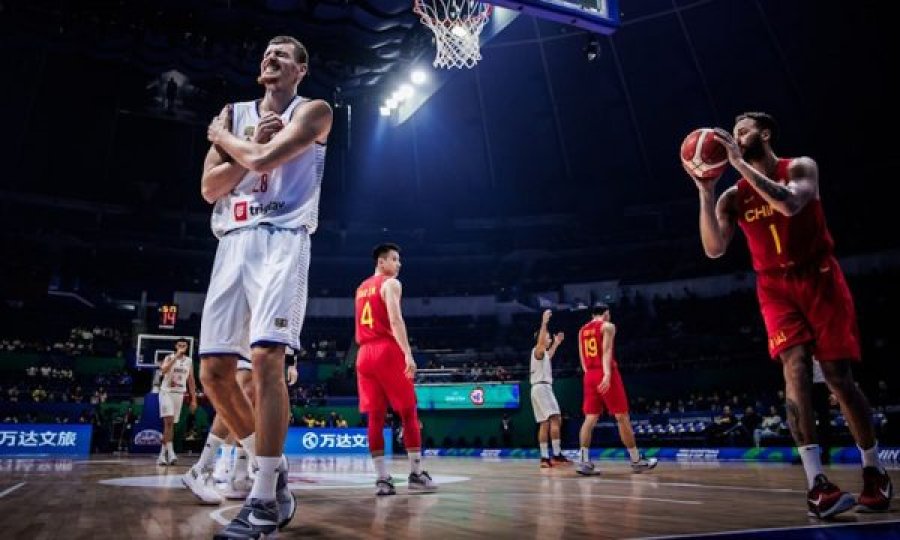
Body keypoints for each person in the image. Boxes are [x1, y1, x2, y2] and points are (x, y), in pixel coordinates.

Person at [690, 111, 892, 518]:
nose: (737, 135)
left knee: (838, 378)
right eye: (736, 131)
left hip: (819, 277)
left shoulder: (799, 167)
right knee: (795, 368)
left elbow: (790, 204)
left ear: (764, 134)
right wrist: (707, 192)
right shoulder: (733, 197)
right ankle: (818, 484)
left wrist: (739, 165)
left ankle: (874, 470)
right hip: (775, 287)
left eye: (744, 130)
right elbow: (713, 249)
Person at [192, 34, 333, 538]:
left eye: (283, 55)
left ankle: (264, 497)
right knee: (213, 373)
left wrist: (230, 141)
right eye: (266, 54)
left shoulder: (314, 111)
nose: (270, 58)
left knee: (268, 359)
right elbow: (211, 189)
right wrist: (250, 148)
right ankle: (269, 477)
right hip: (232, 242)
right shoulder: (235, 110)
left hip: (283, 238)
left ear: (300, 68)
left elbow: (263, 162)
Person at [355, 243, 436, 496]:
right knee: (409, 413)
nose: (399, 264)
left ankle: (382, 479)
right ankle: (416, 473)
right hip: (387, 350)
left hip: (363, 354)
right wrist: (408, 354)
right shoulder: (391, 284)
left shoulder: (360, 288)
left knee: (375, 418)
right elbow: (395, 319)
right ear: (381, 262)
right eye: (394, 259)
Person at [575, 303, 657, 475]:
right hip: (606, 373)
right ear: (605, 313)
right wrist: (606, 375)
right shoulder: (608, 326)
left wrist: (591, 375)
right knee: (621, 416)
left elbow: (582, 358)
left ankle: (583, 461)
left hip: (589, 375)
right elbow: (606, 351)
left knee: (590, 419)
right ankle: (636, 461)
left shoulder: (582, 330)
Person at [530, 309, 569, 468]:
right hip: (542, 388)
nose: (549, 338)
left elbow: (549, 355)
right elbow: (541, 342)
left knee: (544, 423)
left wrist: (557, 344)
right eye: (547, 336)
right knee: (555, 419)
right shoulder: (538, 349)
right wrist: (544, 322)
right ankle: (557, 454)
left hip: (537, 388)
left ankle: (545, 457)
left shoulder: (543, 354)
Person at [157, 339, 198, 466]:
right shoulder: (169, 357)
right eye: (179, 345)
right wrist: (175, 357)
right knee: (168, 422)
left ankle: (163, 455)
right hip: (166, 392)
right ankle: (170, 453)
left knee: (171, 425)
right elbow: (163, 371)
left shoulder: (189, 361)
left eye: (184, 345)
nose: (181, 347)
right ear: (176, 346)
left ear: (187, 347)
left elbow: (191, 380)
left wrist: (193, 399)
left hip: (179, 394)